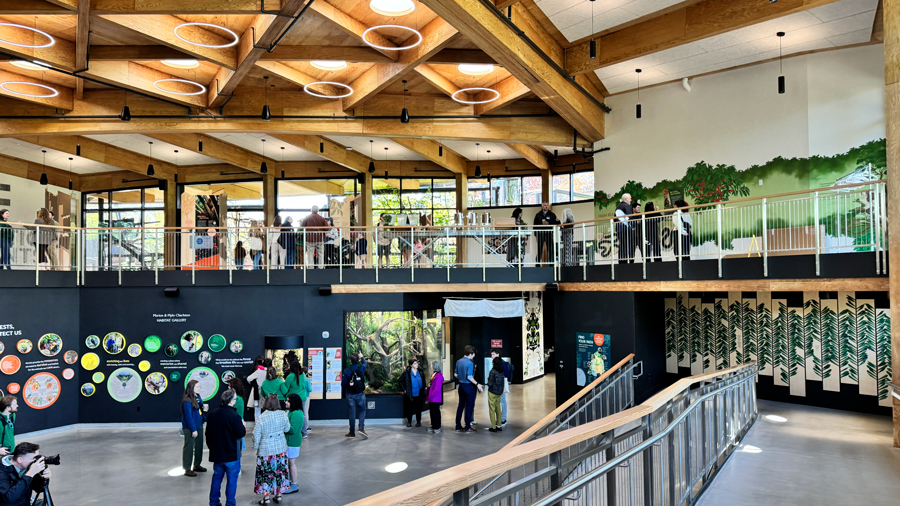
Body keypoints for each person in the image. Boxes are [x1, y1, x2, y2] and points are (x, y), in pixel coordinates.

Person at [206, 389, 246, 506]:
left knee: (216, 478)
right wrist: (243, 426)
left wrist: (212, 448)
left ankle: (213, 502)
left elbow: (208, 434)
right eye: (235, 399)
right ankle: (230, 503)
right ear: (231, 401)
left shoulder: (212, 414)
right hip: (231, 454)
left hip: (217, 453)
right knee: (232, 480)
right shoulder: (234, 416)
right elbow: (240, 433)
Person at [253, 394, 291, 504]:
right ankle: (278, 495)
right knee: (279, 472)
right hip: (280, 449)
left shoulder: (261, 417)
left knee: (266, 473)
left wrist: (256, 446)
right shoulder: (283, 414)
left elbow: (256, 434)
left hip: (266, 450)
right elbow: (287, 429)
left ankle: (266, 498)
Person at [0, 442, 51, 506]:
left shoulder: (26, 467)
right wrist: (29, 474)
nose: (35, 461)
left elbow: (39, 489)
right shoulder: (2, 471)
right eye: (33, 458)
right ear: (20, 460)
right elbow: (9, 497)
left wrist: (44, 478)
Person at [454, 345, 483, 433]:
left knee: (460, 406)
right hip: (468, 386)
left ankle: (458, 426)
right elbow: (469, 377)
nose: (473, 356)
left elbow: (455, 375)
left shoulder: (458, 361)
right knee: (469, 407)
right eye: (473, 354)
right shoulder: (470, 363)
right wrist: (477, 384)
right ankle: (467, 427)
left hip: (461, 386)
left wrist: (461, 378)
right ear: (470, 354)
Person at [181, 380, 207, 477]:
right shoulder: (187, 401)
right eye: (197, 387)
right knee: (189, 447)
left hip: (198, 424)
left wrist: (203, 413)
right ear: (191, 388)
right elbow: (188, 416)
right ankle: (187, 468)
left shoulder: (197, 397)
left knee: (199, 445)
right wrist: (193, 429)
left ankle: (197, 464)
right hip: (190, 427)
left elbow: (199, 409)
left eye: (199, 386)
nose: (199, 388)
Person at [341, 352, 368, 438]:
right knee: (362, 411)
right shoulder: (361, 368)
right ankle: (361, 428)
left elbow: (343, 383)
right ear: (357, 360)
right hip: (360, 394)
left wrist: (349, 386)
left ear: (350, 361)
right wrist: (362, 357)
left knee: (352, 413)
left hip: (350, 395)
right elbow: (365, 363)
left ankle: (352, 432)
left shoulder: (346, 370)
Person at [283, 394, 304, 495]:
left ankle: (294, 484)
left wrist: (282, 427)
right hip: (289, 441)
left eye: (288, 401)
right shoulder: (290, 412)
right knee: (289, 463)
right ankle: (290, 482)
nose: (286, 402)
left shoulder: (296, 414)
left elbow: (293, 429)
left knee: (292, 463)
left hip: (292, 442)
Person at [398, 358, 425, 428]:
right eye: (415, 363)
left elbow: (423, 380)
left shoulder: (420, 371)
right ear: (411, 365)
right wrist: (404, 390)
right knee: (410, 408)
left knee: (419, 408)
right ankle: (409, 422)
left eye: (417, 363)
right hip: (411, 393)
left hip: (419, 393)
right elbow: (400, 381)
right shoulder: (407, 372)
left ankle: (418, 421)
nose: (417, 364)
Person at [489, 350, 511, 426]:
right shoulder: (498, 362)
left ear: (498, 354)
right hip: (498, 386)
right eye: (491, 354)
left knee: (502, 401)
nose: (492, 356)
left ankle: (503, 419)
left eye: (493, 354)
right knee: (500, 402)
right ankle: (501, 419)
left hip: (500, 386)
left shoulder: (502, 363)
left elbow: (506, 374)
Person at [487, 357, 506, 433]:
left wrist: (488, 380)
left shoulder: (493, 371)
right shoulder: (502, 371)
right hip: (499, 392)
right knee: (498, 409)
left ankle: (493, 427)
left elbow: (490, 383)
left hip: (492, 392)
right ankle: (499, 425)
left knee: (492, 409)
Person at [615, 194, 635, 264]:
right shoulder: (627, 206)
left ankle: (621, 261)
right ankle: (630, 261)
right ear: (626, 199)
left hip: (619, 228)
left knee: (622, 244)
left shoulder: (618, 207)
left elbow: (615, 218)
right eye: (630, 198)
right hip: (626, 228)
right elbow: (630, 217)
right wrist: (633, 226)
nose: (631, 200)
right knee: (629, 244)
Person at [227, 377, 246, 451]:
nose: (228, 387)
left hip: (234, 425)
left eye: (229, 386)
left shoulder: (236, 399)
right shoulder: (240, 398)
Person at [425, 361, 444, 434]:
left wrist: (430, 395)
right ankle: (433, 425)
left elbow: (436, 389)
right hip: (432, 397)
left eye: (431, 365)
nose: (431, 366)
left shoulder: (438, 377)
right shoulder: (433, 375)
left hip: (435, 398)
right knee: (432, 412)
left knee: (436, 412)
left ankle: (437, 427)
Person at [247, 356, 267, 421]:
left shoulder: (256, 368)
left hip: (257, 389)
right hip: (264, 391)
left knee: (257, 410)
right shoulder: (264, 369)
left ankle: (257, 423)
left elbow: (249, 378)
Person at [300, 367, 312, 439]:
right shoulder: (307, 379)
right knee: (305, 413)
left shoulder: (299, 379)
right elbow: (309, 389)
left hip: (299, 397)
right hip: (306, 396)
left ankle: (300, 427)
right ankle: (306, 427)